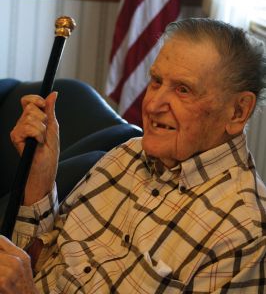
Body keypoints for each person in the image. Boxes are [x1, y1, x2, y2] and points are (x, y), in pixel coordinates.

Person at [0, 18, 266, 293]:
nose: (152, 104)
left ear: (238, 112)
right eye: (156, 81)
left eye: (183, 90)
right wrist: (40, 178)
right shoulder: (126, 155)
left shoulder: (245, 233)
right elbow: (41, 258)